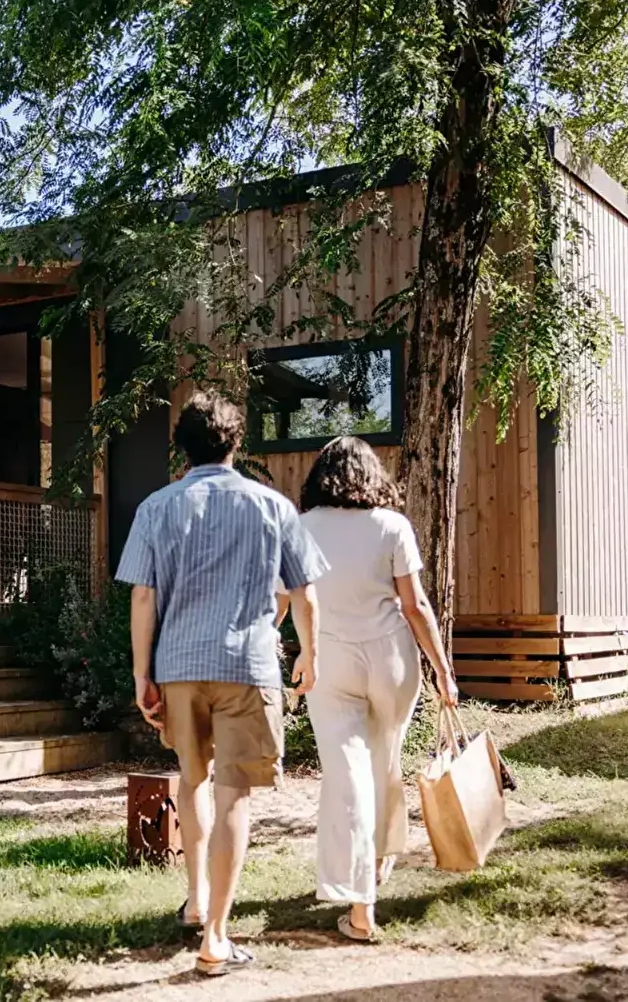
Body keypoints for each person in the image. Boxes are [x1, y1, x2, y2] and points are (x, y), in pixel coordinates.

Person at [118, 392, 329, 977]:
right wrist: (310, 655)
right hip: (248, 666)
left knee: (193, 780)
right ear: (237, 442)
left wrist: (142, 672)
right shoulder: (273, 506)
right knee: (235, 793)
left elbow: (143, 596)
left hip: (179, 665)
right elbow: (305, 593)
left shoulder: (156, 508)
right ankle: (215, 934)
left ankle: (195, 899)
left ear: (181, 447)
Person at [296, 436, 458, 942]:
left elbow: (286, 600)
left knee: (347, 776)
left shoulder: (302, 527)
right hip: (392, 659)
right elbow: (416, 606)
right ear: (371, 474)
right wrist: (443, 670)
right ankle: (380, 860)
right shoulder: (392, 526)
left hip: (330, 660)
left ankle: (361, 902)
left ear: (321, 476)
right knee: (383, 764)